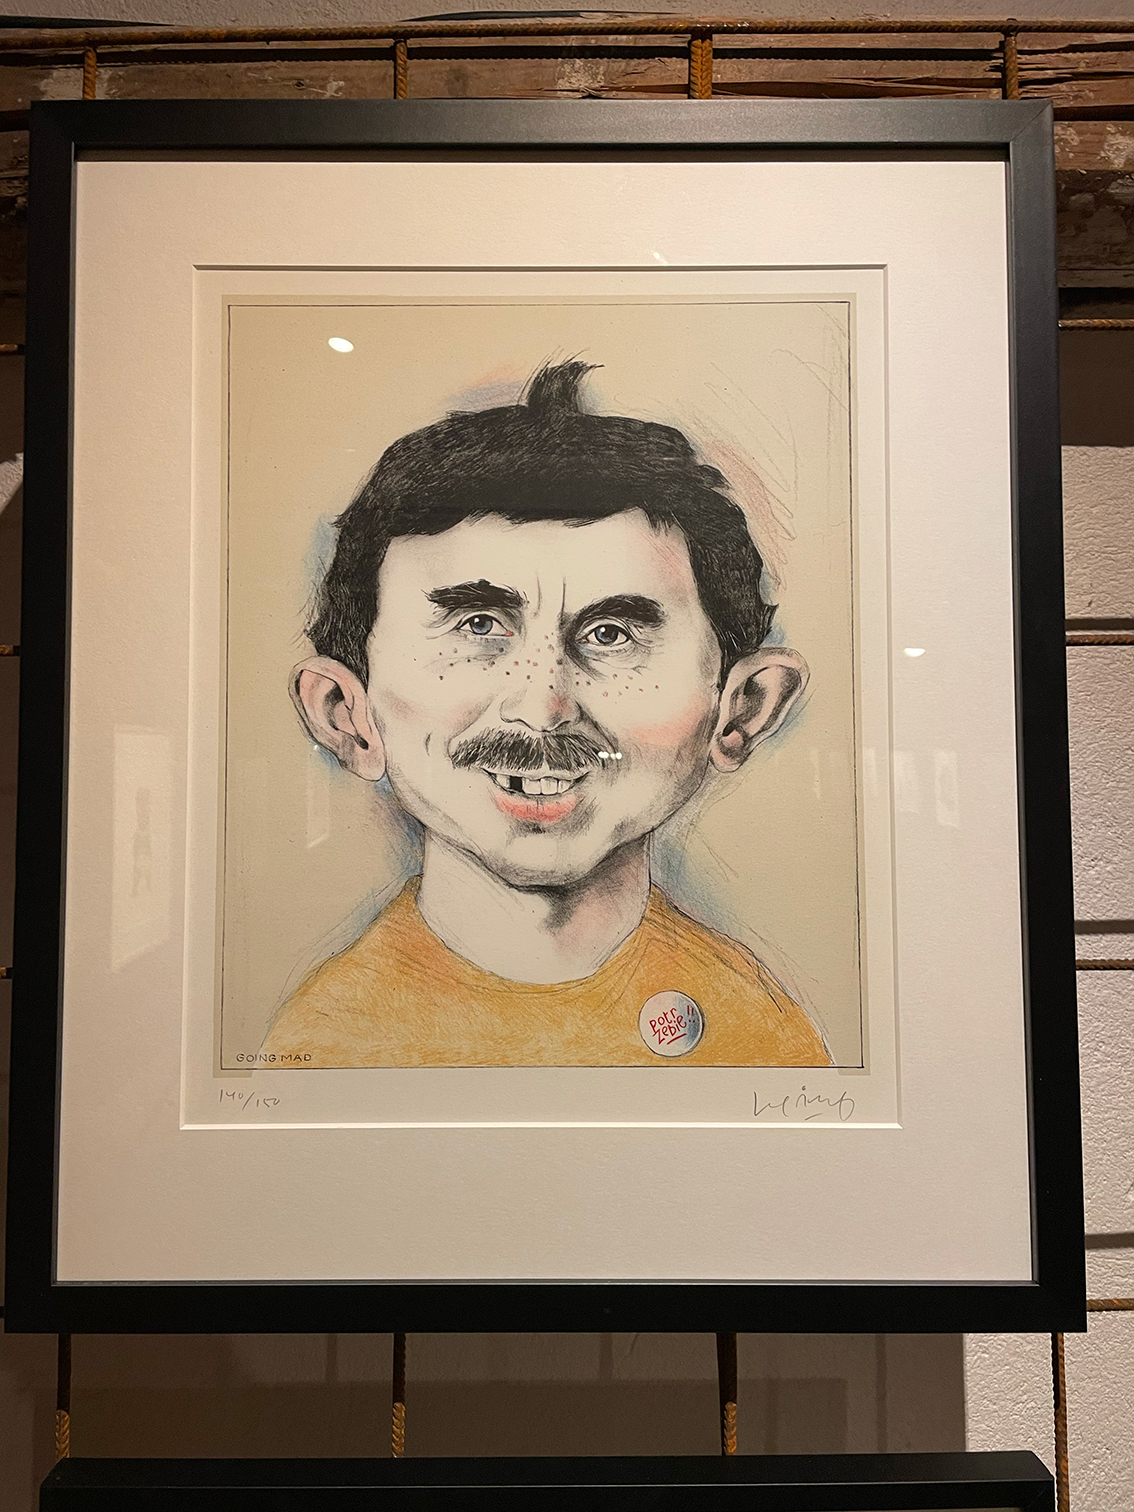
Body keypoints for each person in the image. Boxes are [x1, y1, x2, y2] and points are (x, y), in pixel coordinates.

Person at [262, 360, 830, 1068]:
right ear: (345, 714)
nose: (542, 708)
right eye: (477, 626)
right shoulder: (316, 1052)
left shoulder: (770, 1043)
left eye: (611, 635)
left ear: (742, 708)